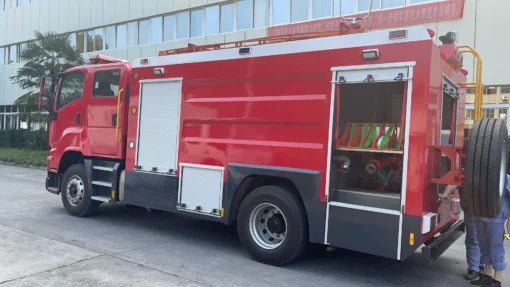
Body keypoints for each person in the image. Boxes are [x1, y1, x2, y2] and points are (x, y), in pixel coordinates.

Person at [468, 174, 510, 287]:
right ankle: (488, 277)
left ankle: (496, 281)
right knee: (484, 247)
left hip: (496, 218)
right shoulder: (481, 174)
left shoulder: (506, 178)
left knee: (496, 249)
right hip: (480, 216)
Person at [441, 184, 484, 280]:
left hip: (484, 214)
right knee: (474, 239)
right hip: (471, 212)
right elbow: (454, 183)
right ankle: (475, 268)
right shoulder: (467, 174)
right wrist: (445, 193)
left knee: (479, 240)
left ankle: (478, 266)